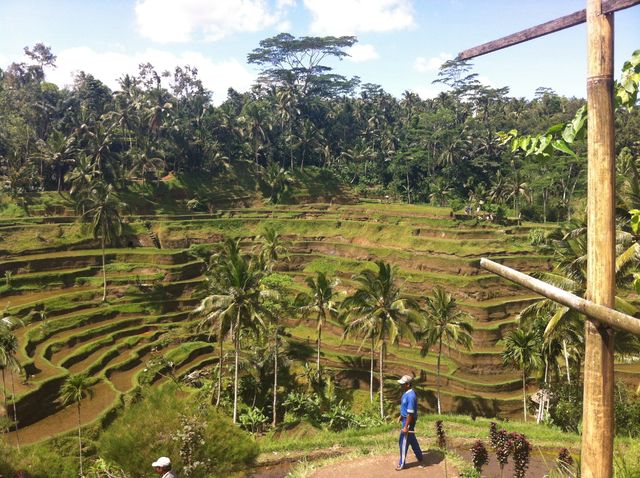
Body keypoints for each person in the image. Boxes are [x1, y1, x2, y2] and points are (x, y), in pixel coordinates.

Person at [396, 375, 424, 471]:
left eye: (402, 384)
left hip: (409, 421)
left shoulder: (411, 396)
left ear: (407, 384)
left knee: (403, 442)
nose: (401, 386)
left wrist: (406, 426)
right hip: (405, 419)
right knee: (411, 439)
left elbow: (410, 413)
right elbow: (405, 408)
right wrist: (401, 416)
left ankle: (401, 463)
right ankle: (420, 457)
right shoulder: (406, 393)